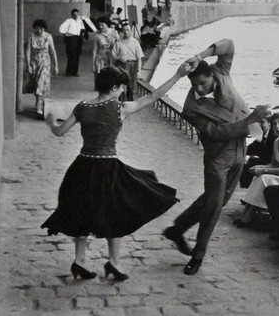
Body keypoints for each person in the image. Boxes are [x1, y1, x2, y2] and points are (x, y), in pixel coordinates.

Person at [41, 64, 190, 281]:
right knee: (114, 213)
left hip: (81, 167)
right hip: (107, 168)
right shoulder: (120, 108)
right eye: (121, 87)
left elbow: (59, 131)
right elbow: (155, 96)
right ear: (114, 87)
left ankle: (79, 260)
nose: (123, 91)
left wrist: (50, 121)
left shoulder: (82, 107)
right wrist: (178, 74)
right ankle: (113, 262)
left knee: (81, 213)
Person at [162, 38, 270, 275]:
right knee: (213, 206)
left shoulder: (221, 71)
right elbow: (218, 132)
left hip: (240, 149)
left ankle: (177, 229)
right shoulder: (190, 109)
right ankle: (197, 256)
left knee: (216, 201)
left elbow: (229, 45)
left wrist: (199, 55)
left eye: (202, 83)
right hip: (218, 157)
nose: (199, 89)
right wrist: (253, 119)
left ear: (211, 75)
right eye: (195, 86)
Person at [235, 112, 279, 227]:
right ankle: (248, 213)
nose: (277, 127)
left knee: (262, 177)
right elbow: (273, 164)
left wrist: (263, 171)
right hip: (278, 173)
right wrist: (259, 167)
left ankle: (247, 216)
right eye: (274, 124)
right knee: (257, 175)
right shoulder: (277, 142)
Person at [25, 19, 58, 115]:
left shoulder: (48, 37)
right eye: (37, 29)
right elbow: (28, 51)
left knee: (41, 83)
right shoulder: (31, 36)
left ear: (44, 29)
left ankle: (39, 106)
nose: (39, 31)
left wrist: (56, 65)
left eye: (41, 29)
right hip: (34, 62)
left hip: (45, 62)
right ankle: (37, 101)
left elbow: (53, 51)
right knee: (36, 83)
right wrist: (28, 64)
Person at [239, 111, 275, 188]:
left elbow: (268, 160)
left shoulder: (274, 137)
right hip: (264, 165)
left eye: (262, 122)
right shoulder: (263, 135)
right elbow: (250, 149)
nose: (258, 125)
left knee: (245, 167)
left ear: (269, 123)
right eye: (257, 122)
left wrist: (249, 159)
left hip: (272, 169)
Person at [111, 20, 144, 101]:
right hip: (121, 66)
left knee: (130, 86)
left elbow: (139, 57)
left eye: (128, 30)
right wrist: (119, 58)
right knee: (120, 85)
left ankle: (130, 102)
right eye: (124, 30)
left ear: (131, 31)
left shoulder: (135, 42)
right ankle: (121, 102)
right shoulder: (118, 43)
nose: (126, 32)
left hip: (132, 65)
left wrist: (139, 70)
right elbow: (113, 55)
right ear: (122, 31)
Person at [58, 8, 87, 77]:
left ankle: (74, 72)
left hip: (78, 38)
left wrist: (83, 33)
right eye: (74, 14)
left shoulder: (80, 21)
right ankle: (68, 72)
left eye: (77, 14)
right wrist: (65, 33)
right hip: (71, 39)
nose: (76, 16)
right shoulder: (69, 21)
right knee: (71, 55)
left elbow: (82, 28)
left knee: (77, 55)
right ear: (72, 14)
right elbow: (61, 27)